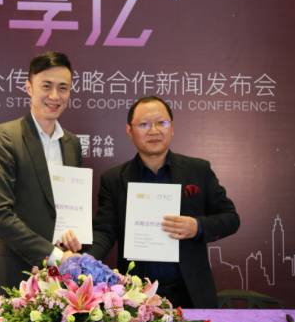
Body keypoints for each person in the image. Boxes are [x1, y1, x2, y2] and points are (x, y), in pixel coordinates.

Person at [88, 96, 240, 308]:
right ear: (129, 131)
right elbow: (104, 231)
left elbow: (231, 219)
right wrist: (84, 261)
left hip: (191, 293)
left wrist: (197, 226)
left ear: (172, 128)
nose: (154, 131)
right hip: (136, 297)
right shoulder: (114, 179)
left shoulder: (198, 171)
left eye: (162, 123)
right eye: (144, 124)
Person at [0, 52, 82, 298]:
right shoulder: (5, 136)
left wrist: (73, 236)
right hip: (12, 276)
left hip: (58, 285)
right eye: (46, 86)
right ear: (29, 88)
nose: (55, 96)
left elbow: (67, 208)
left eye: (63, 88)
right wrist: (55, 256)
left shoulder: (72, 143)